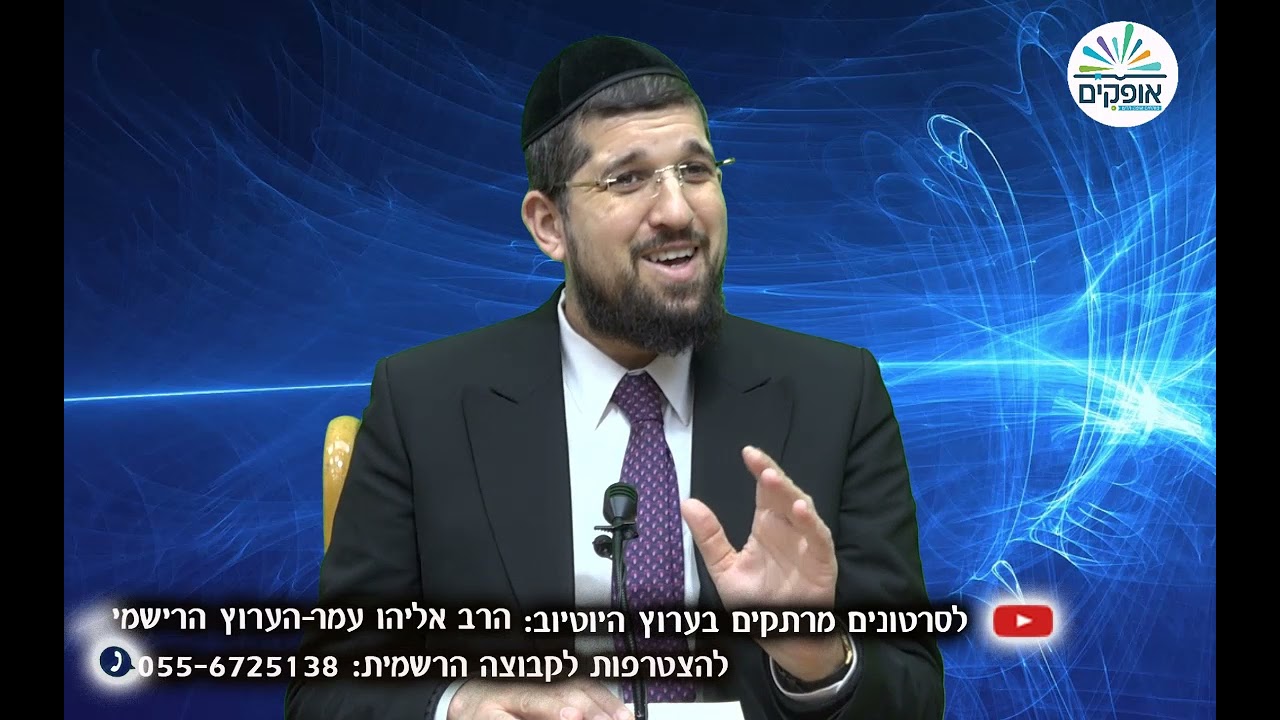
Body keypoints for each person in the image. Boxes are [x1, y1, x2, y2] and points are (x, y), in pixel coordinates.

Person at [285, 35, 944, 720]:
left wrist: (818, 657)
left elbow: (916, 696)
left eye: (695, 170)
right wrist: (462, 704)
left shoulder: (836, 394)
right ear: (549, 225)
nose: (678, 211)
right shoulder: (424, 403)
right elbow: (326, 693)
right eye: (627, 179)